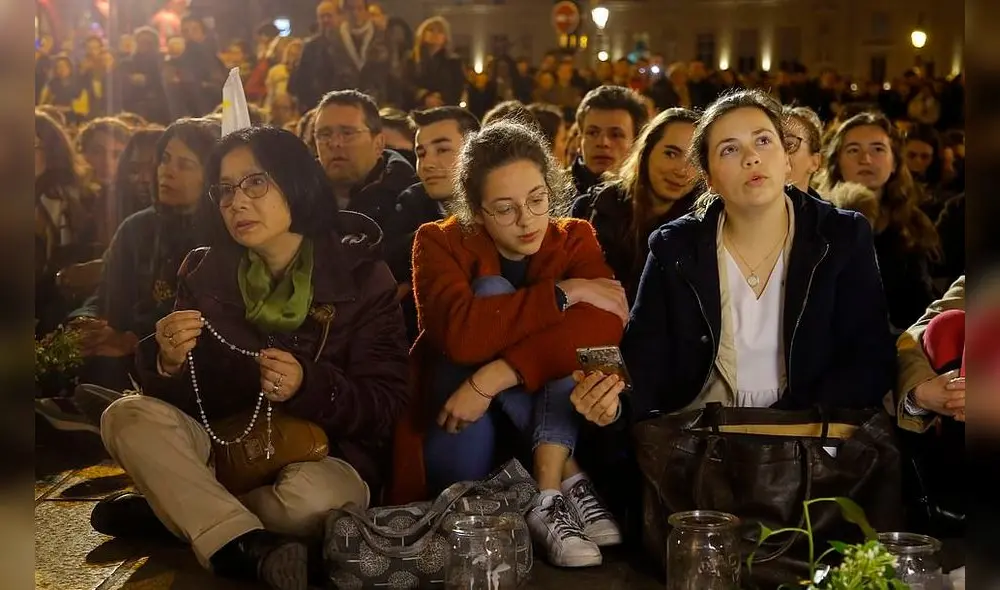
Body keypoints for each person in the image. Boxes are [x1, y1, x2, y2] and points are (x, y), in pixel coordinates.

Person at [92, 126, 409, 590]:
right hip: (225, 446)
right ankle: (239, 545)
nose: (236, 202)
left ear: (296, 181)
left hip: (321, 456)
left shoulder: (361, 275)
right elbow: (188, 402)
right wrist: (166, 362)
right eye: (224, 190)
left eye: (255, 182)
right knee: (124, 415)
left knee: (310, 505)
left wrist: (309, 385)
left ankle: (180, 508)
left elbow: (387, 402)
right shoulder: (204, 271)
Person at [576, 89, 894, 422]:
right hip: (704, 438)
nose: (751, 158)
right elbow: (645, 363)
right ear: (709, 178)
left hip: (809, 436)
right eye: (730, 149)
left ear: (787, 160)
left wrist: (783, 423)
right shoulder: (675, 247)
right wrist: (613, 405)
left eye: (763, 141)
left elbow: (870, 358)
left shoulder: (841, 236)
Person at [408, 122, 629, 567]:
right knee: (490, 291)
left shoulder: (574, 236)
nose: (527, 219)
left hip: (509, 399)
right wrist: (566, 293)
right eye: (505, 209)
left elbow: (606, 328)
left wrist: (497, 375)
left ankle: (547, 491)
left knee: (570, 353)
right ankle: (570, 477)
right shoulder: (438, 240)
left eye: (537, 199)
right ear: (476, 210)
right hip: (458, 410)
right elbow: (464, 337)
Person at [819, 112, 940, 331]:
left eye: (877, 149)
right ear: (837, 162)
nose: (865, 159)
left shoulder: (913, 222)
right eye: (853, 150)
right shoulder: (816, 220)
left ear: (894, 162)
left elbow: (923, 304)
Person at [572, 108, 700, 304]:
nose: (682, 170)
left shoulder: (702, 229)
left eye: (694, 160)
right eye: (670, 154)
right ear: (647, 151)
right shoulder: (591, 209)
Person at [391, 106, 481, 342]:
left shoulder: (504, 205)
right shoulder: (410, 205)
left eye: (442, 149)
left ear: (476, 153)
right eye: (421, 153)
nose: (428, 163)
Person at [312, 89, 417, 281]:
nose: (335, 143)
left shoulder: (411, 203)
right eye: (324, 134)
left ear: (378, 143)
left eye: (347, 133)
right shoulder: (295, 199)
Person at [570, 85, 649, 195]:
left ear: (637, 144)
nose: (602, 143)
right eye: (592, 133)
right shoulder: (552, 193)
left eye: (615, 135)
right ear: (579, 141)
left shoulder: (650, 199)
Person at [288, 1, 341, 113]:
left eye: (329, 15)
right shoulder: (311, 46)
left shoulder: (346, 44)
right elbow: (302, 78)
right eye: (322, 16)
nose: (326, 20)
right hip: (317, 105)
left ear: (339, 16)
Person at [405, 16, 465, 109]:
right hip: (416, 109)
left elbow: (457, 88)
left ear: (445, 37)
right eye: (431, 30)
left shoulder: (453, 62)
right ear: (423, 33)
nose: (435, 34)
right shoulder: (410, 59)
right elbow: (405, 84)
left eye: (440, 31)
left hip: (444, 110)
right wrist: (424, 97)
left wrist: (439, 98)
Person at [781, 105, 823, 195]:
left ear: (815, 162)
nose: (777, 153)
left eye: (789, 145)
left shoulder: (828, 209)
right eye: (765, 142)